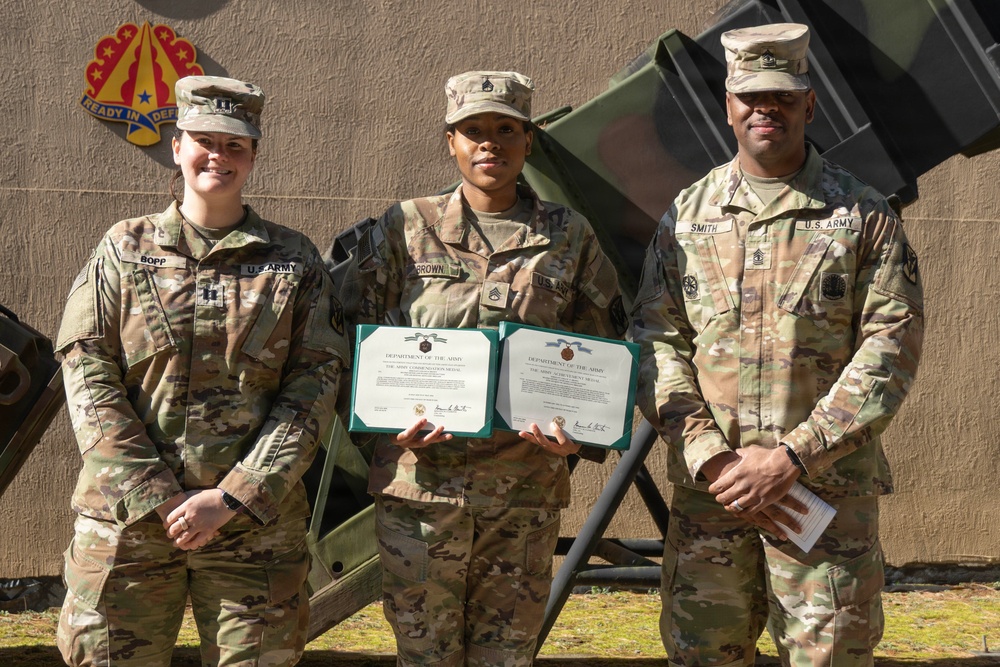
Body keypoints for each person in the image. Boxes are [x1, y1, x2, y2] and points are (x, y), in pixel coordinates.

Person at [631, 24, 924, 667]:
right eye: (751, 97)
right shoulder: (687, 216)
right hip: (714, 497)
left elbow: (890, 346)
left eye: (783, 97)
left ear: (809, 105)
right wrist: (709, 455)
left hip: (823, 498)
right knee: (705, 655)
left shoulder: (862, 215)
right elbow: (655, 340)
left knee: (830, 657)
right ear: (729, 107)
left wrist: (792, 457)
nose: (766, 109)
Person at [54, 75, 349, 667]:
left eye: (235, 144)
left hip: (252, 532)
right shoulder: (123, 248)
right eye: (204, 140)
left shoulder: (294, 262)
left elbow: (314, 387)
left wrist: (233, 497)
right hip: (129, 526)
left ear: (254, 156)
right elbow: (88, 374)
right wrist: (158, 497)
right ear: (177, 146)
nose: (219, 155)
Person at [343, 70, 627, 666]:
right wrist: (377, 420)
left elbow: (603, 346)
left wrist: (579, 437)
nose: (489, 143)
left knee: (507, 658)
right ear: (451, 140)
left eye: (506, 129)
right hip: (421, 490)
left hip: (523, 493)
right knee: (425, 656)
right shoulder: (404, 228)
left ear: (528, 140)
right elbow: (348, 338)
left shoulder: (569, 236)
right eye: (474, 130)